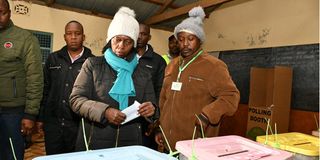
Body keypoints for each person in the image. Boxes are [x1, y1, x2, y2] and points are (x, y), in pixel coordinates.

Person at [69, 6, 158, 150]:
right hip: (95, 141)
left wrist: (152, 109)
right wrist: (105, 111)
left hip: (130, 143)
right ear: (110, 39)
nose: (121, 46)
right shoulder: (93, 65)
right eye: (117, 39)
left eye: (127, 41)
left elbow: (152, 105)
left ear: (134, 44)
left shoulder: (143, 72)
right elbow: (76, 100)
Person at [155, 6, 240, 151]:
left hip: (195, 146)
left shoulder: (214, 66)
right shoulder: (172, 65)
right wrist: (160, 128)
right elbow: (164, 101)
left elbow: (231, 97)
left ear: (199, 40)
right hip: (167, 144)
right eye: (181, 39)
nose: (185, 44)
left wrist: (208, 114)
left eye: (191, 39)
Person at [37, 20, 94, 155]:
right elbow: (45, 89)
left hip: (78, 126)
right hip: (53, 124)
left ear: (83, 37)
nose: (73, 37)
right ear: (64, 37)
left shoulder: (92, 62)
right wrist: (40, 118)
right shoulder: (53, 59)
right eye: (69, 34)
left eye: (77, 33)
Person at [0, 0, 43, 159]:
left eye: (2, 12)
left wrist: (31, 114)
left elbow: (35, 77)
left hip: (13, 114)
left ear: (9, 13)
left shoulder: (25, 38)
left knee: (12, 155)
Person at [136, 23, 166, 149]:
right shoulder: (125, 56)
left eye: (143, 34)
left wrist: (156, 119)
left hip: (148, 118)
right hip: (126, 117)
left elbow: (161, 91)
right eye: (137, 33)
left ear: (149, 37)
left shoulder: (158, 61)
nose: (139, 37)